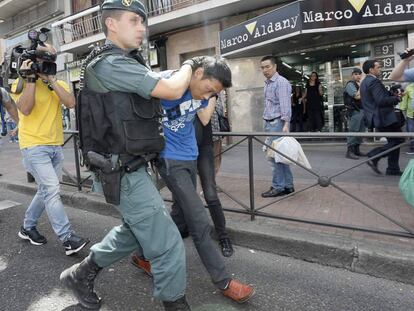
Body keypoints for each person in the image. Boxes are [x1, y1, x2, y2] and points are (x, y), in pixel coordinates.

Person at [59, 1, 198, 310]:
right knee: (167, 243)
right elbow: (173, 90)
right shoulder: (111, 64)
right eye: (134, 20)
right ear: (112, 24)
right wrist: (190, 65)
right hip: (122, 172)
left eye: (142, 22)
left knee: (135, 233)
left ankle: (80, 275)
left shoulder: (122, 62)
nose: (142, 28)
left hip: (128, 166)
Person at [133, 57, 254, 303]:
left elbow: (206, 118)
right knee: (199, 221)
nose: (208, 94)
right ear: (197, 73)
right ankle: (224, 281)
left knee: (180, 213)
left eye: (215, 93)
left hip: (191, 156)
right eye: (209, 88)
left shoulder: (203, 94)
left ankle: (142, 255)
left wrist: (209, 96)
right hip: (170, 160)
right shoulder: (169, 84)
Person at [10, 42, 89, 255]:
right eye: (44, 63)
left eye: (50, 63)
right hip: (34, 146)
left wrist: (51, 80)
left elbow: (71, 102)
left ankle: (27, 227)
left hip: (55, 146)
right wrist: (30, 80)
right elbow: (25, 109)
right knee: (52, 190)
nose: (47, 66)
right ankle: (67, 238)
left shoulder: (56, 83)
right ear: (34, 63)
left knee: (46, 190)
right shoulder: (20, 82)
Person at [194, 111, 233, 257]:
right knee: (183, 195)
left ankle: (223, 237)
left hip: (203, 146)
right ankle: (183, 226)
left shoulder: (207, 92)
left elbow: (204, 119)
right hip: (182, 148)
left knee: (210, 194)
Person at [360, 60, 404, 176]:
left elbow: (377, 97)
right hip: (384, 118)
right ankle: (374, 155)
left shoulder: (365, 82)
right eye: (378, 67)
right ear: (371, 70)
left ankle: (392, 169)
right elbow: (381, 101)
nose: (381, 69)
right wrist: (397, 98)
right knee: (399, 140)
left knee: (394, 141)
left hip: (378, 118)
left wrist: (391, 93)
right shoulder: (374, 81)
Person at [260, 56, 294, 198]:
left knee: (274, 157)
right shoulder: (268, 83)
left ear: (274, 67)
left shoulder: (281, 82)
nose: (265, 70)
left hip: (278, 123)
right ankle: (288, 185)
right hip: (270, 122)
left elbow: (285, 105)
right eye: (262, 67)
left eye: (267, 66)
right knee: (280, 156)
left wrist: (286, 124)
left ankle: (278, 186)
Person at [343, 68, 366, 159]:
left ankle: (356, 150)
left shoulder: (358, 84)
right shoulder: (350, 84)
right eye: (356, 74)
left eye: (359, 74)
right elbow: (356, 96)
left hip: (361, 110)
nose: (358, 76)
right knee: (354, 130)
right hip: (354, 111)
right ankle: (350, 151)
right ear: (352, 75)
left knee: (361, 131)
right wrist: (361, 87)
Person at [399, 83, 414, 154]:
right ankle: (412, 148)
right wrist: (402, 109)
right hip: (411, 114)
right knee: (411, 131)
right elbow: (404, 101)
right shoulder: (409, 88)